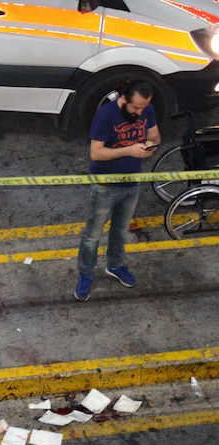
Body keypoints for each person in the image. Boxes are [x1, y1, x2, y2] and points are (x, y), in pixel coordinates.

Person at [74, 79, 160, 301]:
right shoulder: (106, 115)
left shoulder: (147, 108)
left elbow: (155, 136)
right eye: (135, 108)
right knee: (93, 235)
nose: (140, 112)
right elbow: (96, 153)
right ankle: (85, 274)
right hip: (105, 185)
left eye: (143, 108)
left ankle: (115, 265)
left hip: (132, 183)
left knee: (120, 230)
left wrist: (149, 147)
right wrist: (129, 150)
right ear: (124, 98)